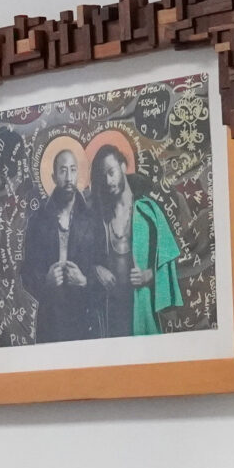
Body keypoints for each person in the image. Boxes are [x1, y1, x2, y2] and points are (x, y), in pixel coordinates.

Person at [86, 144, 184, 338]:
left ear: (123, 167)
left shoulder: (148, 211)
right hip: (109, 315)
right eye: (103, 176)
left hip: (142, 308)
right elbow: (82, 258)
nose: (108, 181)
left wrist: (149, 275)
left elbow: (169, 263)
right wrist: (95, 269)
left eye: (111, 172)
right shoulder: (99, 217)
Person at [16, 145, 103, 343]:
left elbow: (105, 267)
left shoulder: (92, 219)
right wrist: (45, 281)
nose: (69, 177)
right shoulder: (38, 220)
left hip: (85, 319)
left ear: (78, 174)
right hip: (50, 320)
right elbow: (26, 272)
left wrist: (85, 281)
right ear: (54, 177)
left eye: (73, 170)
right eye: (63, 171)